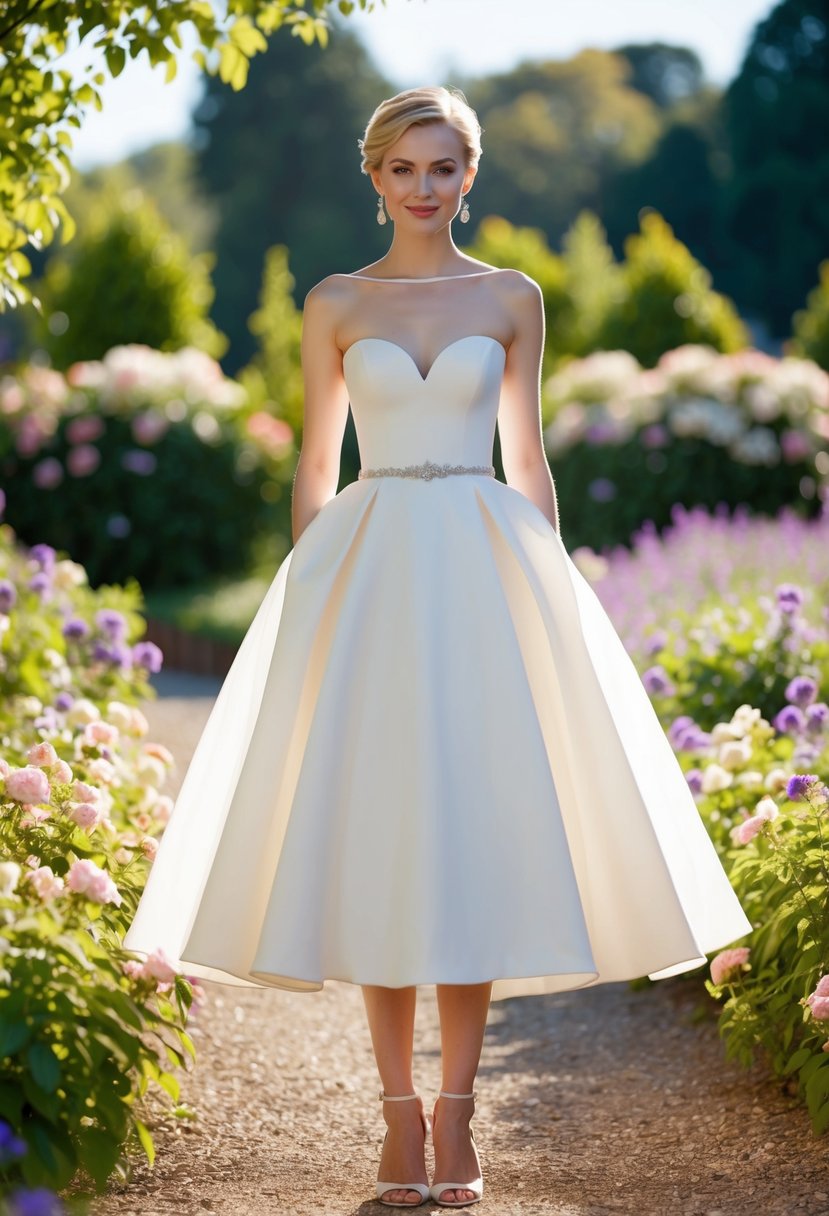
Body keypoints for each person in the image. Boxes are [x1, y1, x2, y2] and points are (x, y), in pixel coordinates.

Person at [123, 85, 753, 1208]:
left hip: (480, 567)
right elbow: (315, 469)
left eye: (444, 167)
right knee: (378, 844)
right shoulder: (334, 303)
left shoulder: (512, 297)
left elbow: (528, 456)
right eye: (405, 168)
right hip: (367, 574)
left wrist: (548, 593)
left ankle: (457, 1121)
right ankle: (395, 1121)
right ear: (376, 180)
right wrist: (310, 602)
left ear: (471, 176)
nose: (425, 186)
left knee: (465, 847)